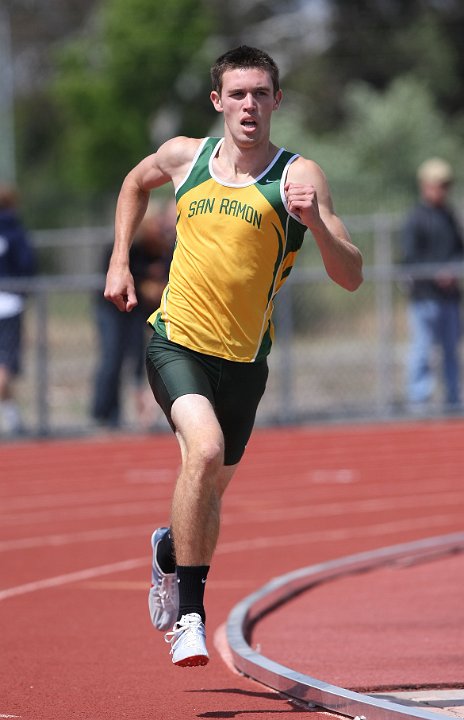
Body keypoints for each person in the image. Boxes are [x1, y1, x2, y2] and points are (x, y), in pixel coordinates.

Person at [104, 45, 363, 667]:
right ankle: (189, 617)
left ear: (278, 101)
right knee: (206, 449)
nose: (249, 105)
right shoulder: (185, 158)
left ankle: (170, 550)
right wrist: (118, 259)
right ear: (218, 101)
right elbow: (133, 183)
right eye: (238, 94)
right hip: (176, 340)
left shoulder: (299, 176)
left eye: (261, 93)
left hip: (245, 361)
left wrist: (319, 226)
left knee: (209, 490)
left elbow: (351, 274)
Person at [92, 201, 173, 429]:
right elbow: (117, 275)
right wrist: (146, 278)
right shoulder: (125, 246)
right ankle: (104, 412)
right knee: (112, 358)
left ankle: (141, 411)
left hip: (136, 310)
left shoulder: (159, 248)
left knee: (140, 359)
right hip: (112, 310)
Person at [401, 158, 464, 411]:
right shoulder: (416, 218)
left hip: (449, 298)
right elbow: (410, 257)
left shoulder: (449, 217)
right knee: (423, 348)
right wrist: (434, 273)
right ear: (426, 186)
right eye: (439, 184)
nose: (443, 190)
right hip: (425, 297)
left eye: (446, 185)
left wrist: (453, 270)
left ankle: (452, 399)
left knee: (451, 350)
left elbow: (459, 250)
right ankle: (419, 400)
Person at [0, 184, 36, 435]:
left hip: (9, 302)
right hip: (9, 304)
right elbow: (27, 264)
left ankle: (12, 417)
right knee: (5, 366)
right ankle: (11, 416)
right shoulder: (14, 231)